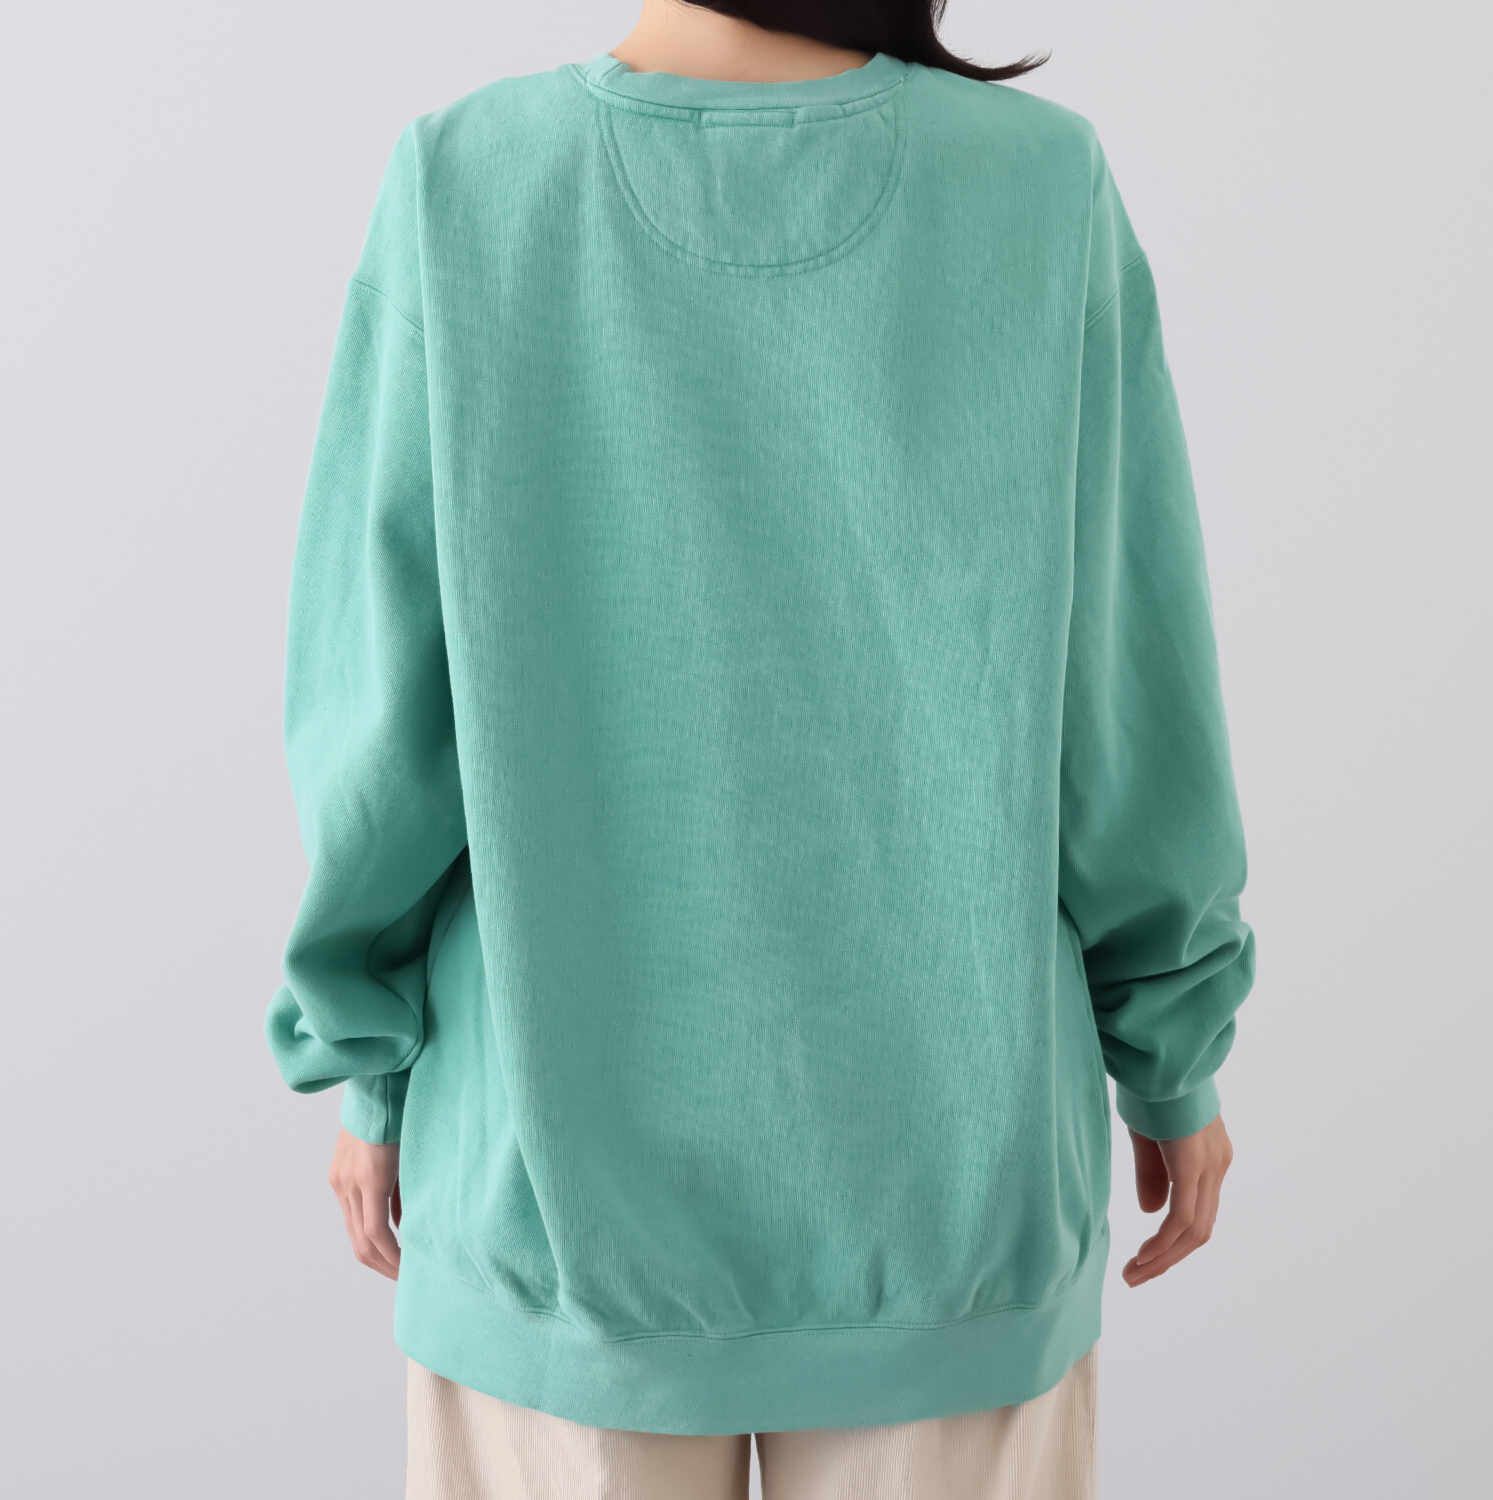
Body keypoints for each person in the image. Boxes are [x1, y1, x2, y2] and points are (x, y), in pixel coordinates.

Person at [266, 1, 1254, 1494]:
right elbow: (1127, 698)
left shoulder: (467, 181)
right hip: (953, 1191)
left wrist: (364, 1061)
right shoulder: (1039, 185)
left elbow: (380, 712)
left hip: (550, 1189)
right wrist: (1171, 1058)